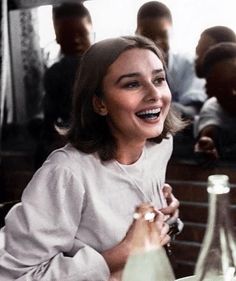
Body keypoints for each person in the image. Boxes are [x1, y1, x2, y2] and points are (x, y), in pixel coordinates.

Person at [0, 35, 185, 280]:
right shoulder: (66, 172)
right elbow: (11, 276)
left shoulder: (160, 146)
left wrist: (167, 218)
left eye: (159, 79)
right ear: (100, 104)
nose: (154, 94)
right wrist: (123, 253)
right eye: (132, 84)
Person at [35, 2, 93, 168]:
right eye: (67, 35)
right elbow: (50, 113)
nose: (75, 40)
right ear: (58, 38)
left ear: (91, 32)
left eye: (81, 33)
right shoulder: (55, 72)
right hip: (66, 132)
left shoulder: (104, 68)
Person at [135, 1, 206, 120]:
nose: (155, 42)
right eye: (148, 36)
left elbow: (194, 110)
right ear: (136, 35)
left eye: (162, 35)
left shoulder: (188, 64)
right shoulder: (129, 68)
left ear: (172, 33)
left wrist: (153, 107)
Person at [194, 42, 236, 161]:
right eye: (223, 87)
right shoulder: (212, 108)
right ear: (209, 90)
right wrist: (207, 144)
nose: (233, 93)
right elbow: (208, 135)